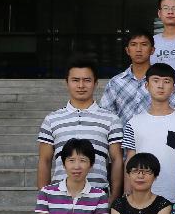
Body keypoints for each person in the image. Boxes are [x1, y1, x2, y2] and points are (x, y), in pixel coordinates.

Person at [38, 57, 123, 198]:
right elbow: (44, 161)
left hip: (98, 198)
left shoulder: (111, 119)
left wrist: (114, 199)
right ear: (67, 83)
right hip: (59, 198)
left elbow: (117, 160)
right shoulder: (51, 119)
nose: (81, 85)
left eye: (87, 80)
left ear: (96, 83)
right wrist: (43, 198)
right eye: (75, 80)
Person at [123, 63, 175, 202]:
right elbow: (129, 160)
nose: (161, 86)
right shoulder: (133, 122)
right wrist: (127, 194)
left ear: (173, 88)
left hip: (172, 195)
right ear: (146, 85)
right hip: (139, 197)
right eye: (155, 80)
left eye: (166, 81)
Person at [101, 30, 175, 128]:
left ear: (152, 50)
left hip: (156, 135)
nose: (138, 49)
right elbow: (105, 116)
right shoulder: (116, 82)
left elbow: (174, 111)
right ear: (127, 50)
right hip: (123, 137)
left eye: (144, 44)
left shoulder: (163, 82)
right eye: (133, 44)